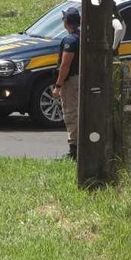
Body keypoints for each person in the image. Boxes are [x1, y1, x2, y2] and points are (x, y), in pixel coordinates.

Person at [53, 8, 81, 160]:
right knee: (81, 112)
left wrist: (58, 85)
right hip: (83, 78)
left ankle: (74, 150)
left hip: (72, 81)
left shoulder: (70, 40)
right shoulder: (84, 37)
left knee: (71, 113)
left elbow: (65, 65)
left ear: (67, 23)